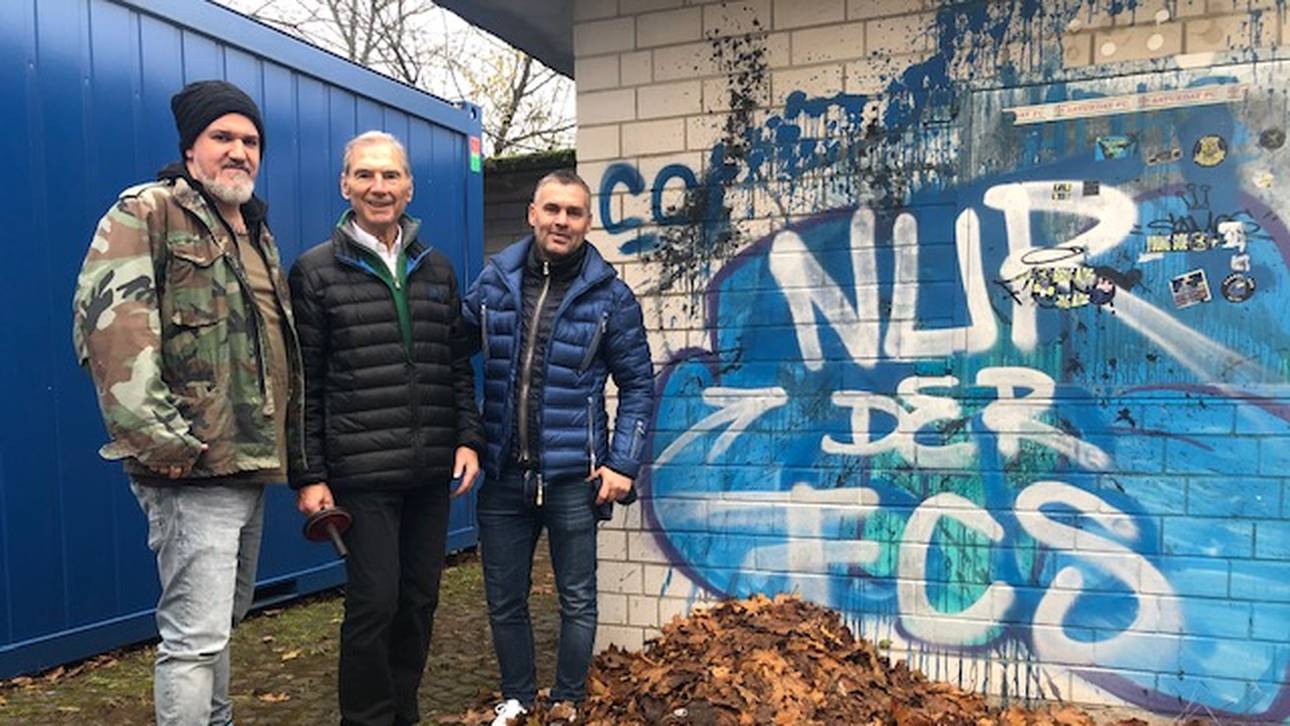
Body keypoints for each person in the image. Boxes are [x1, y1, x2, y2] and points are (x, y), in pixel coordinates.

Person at [72, 80, 300, 726]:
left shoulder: (255, 231)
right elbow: (111, 324)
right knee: (193, 639)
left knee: (220, 625)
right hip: (191, 467)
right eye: (222, 137)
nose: (239, 152)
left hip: (249, 463)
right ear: (191, 147)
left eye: (250, 140)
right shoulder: (149, 211)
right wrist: (164, 440)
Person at [288, 130, 484, 726]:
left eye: (391, 176)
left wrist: (468, 438)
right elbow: (305, 383)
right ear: (345, 184)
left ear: (409, 187)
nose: (379, 187)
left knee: (420, 602)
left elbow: (455, 364)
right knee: (375, 602)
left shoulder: (437, 267)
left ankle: (405, 713)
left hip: (429, 471)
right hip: (360, 470)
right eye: (366, 175)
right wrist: (309, 473)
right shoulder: (315, 273)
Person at [461, 169, 655, 725]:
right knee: (504, 599)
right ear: (532, 213)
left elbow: (638, 384)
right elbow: (452, 349)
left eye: (573, 212)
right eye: (552, 209)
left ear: (586, 221)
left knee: (577, 599)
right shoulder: (495, 282)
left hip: (575, 478)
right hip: (502, 475)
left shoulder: (610, 297)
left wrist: (622, 463)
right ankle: (518, 698)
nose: (561, 221)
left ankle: (568, 701)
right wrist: (465, 435)